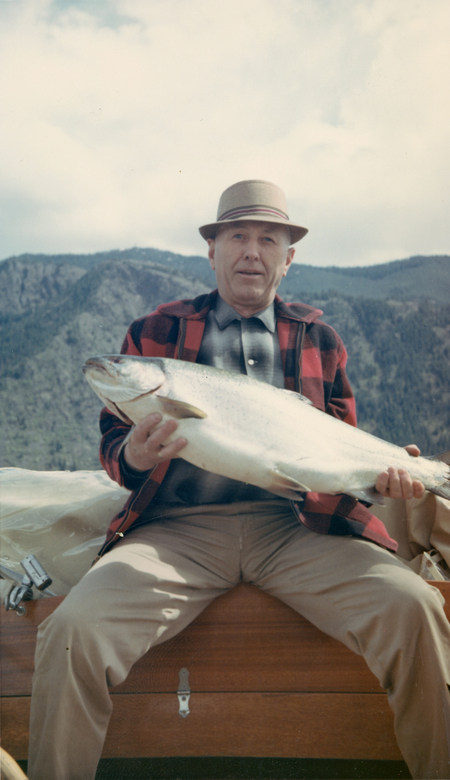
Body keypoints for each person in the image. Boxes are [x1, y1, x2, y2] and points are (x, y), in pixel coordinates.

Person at [28, 180, 450, 780]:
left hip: (301, 530)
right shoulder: (156, 332)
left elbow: (340, 451)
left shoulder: (321, 340)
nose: (252, 251)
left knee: (415, 609)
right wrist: (138, 458)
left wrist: (392, 477)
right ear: (214, 251)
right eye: (237, 237)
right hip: (178, 535)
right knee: (72, 630)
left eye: (267, 239)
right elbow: (114, 450)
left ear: (287, 258)